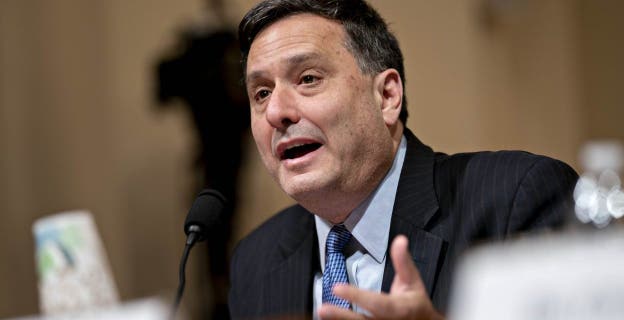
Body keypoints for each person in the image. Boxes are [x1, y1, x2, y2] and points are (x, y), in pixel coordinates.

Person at [228, 0, 577, 319]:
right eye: (261, 93)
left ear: (387, 96)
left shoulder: (515, 199)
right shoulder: (256, 260)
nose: (276, 112)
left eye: (308, 79)